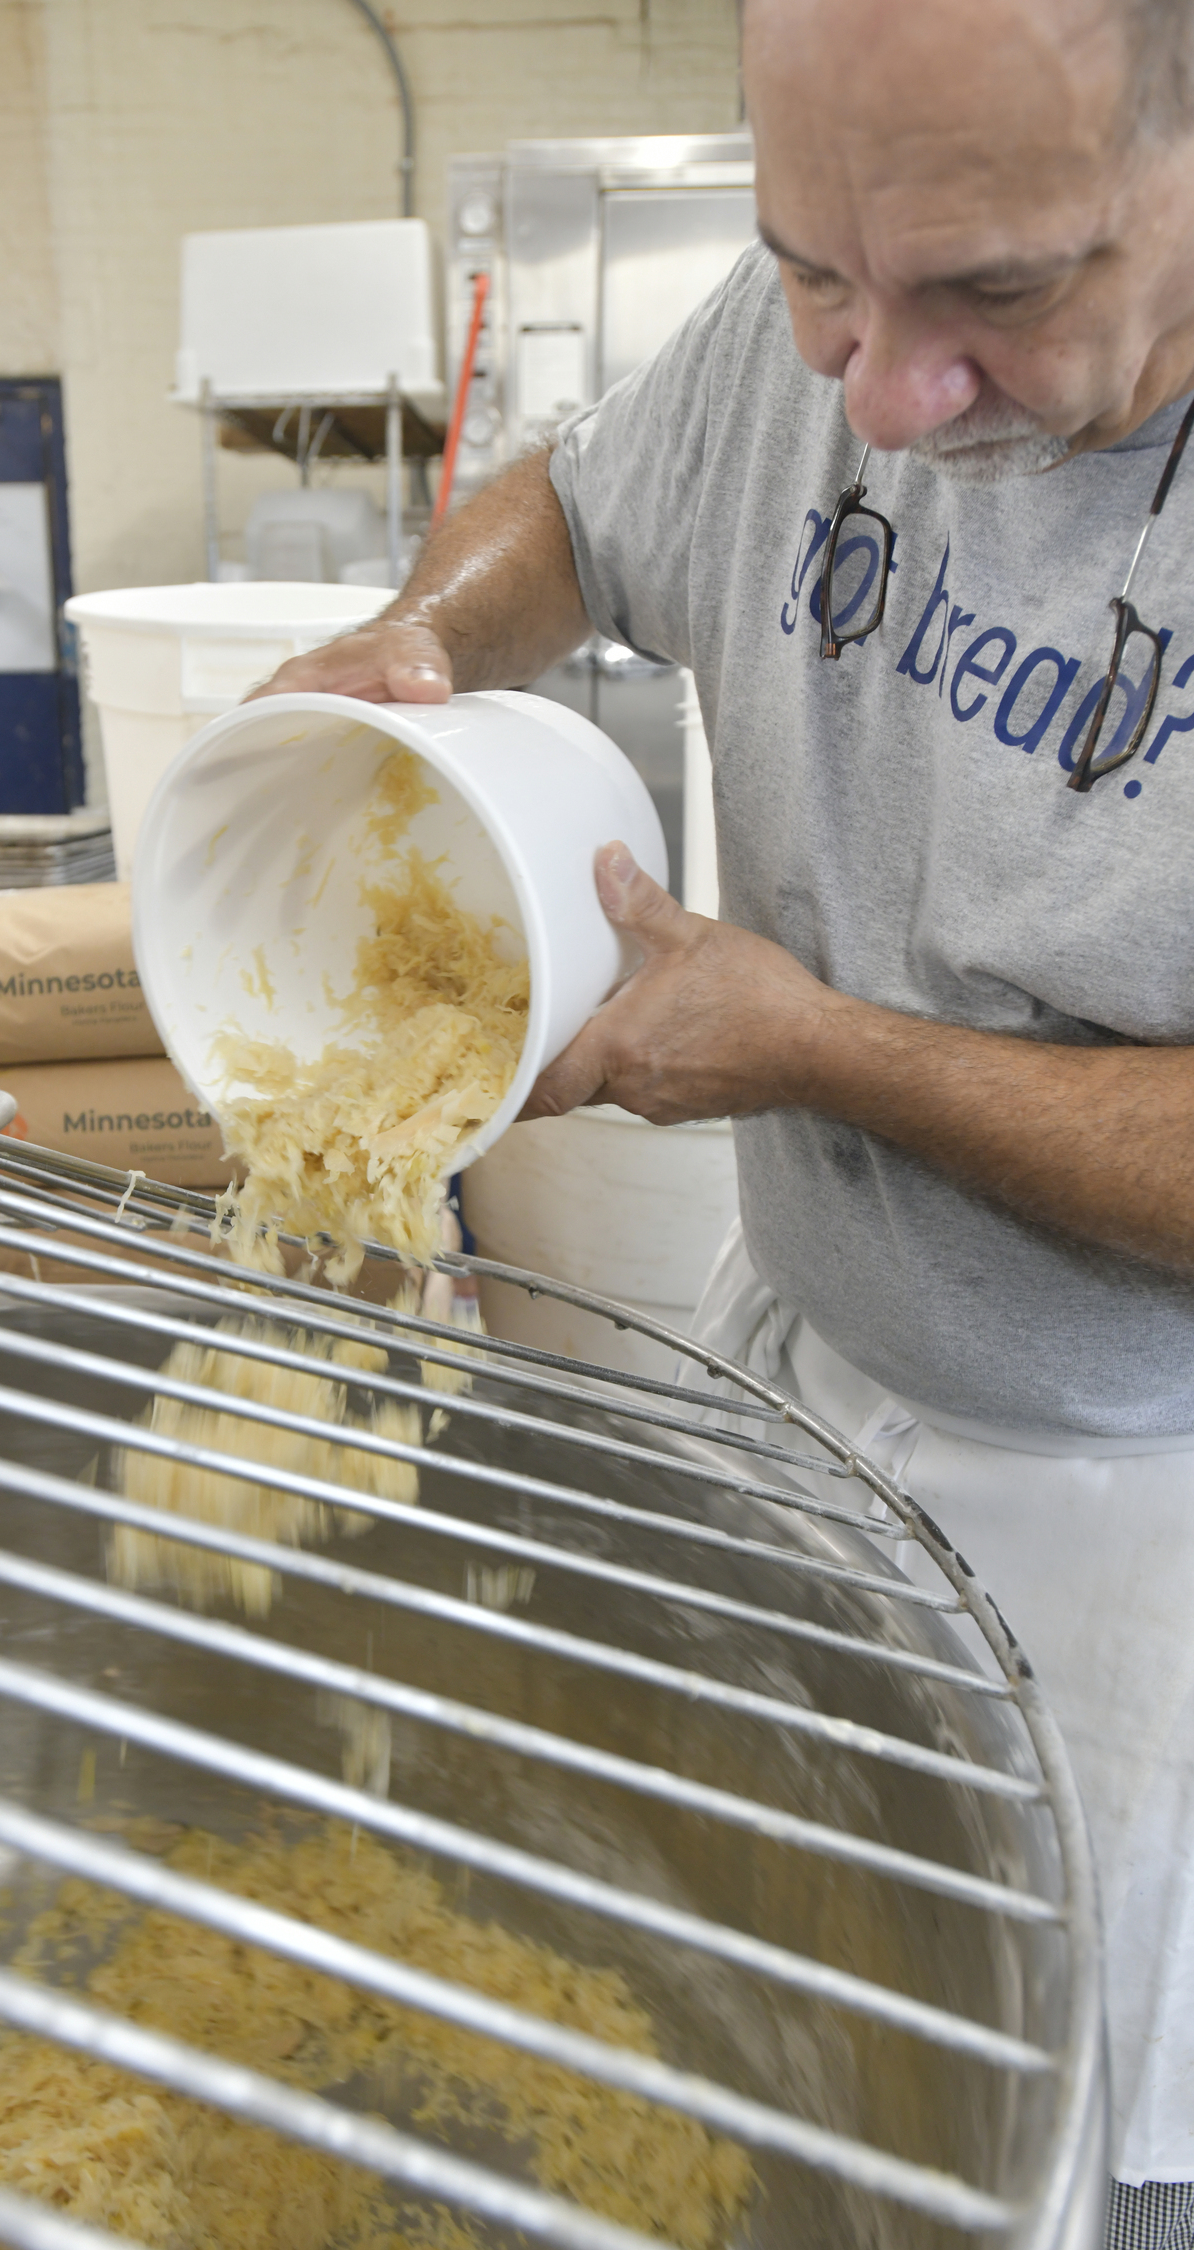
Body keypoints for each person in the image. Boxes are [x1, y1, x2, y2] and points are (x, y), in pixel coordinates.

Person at [253, 0, 1194, 2234]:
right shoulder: (837, 316)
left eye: (998, 294)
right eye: (813, 275)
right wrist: (423, 639)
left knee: (1056, 2163)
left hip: (1145, 1550)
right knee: (810, 2058)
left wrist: (820, 1050)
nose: (873, 392)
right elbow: (579, 506)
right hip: (817, 1405)